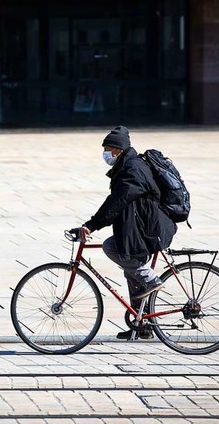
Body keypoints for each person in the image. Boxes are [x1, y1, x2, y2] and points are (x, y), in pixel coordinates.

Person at [78, 125, 177, 340]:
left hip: (149, 229)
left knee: (111, 247)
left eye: (108, 150)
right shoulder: (128, 166)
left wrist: (92, 224)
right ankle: (142, 324)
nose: (105, 154)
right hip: (140, 228)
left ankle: (152, 280)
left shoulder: (133, 169)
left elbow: (117, 202)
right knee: (129, 267)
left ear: (118, 150)